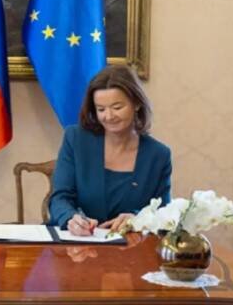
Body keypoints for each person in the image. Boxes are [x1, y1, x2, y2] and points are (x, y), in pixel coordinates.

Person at [48, 65, 172, 236]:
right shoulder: (76, 139)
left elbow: (163, 214)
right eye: (101, 109)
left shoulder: (158, 155)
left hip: (130, 245)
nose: (108, 116)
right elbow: (60, 198)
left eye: (117, 107)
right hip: (78, 242)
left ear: (136, 103)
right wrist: (70, 218)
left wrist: (136, 219)